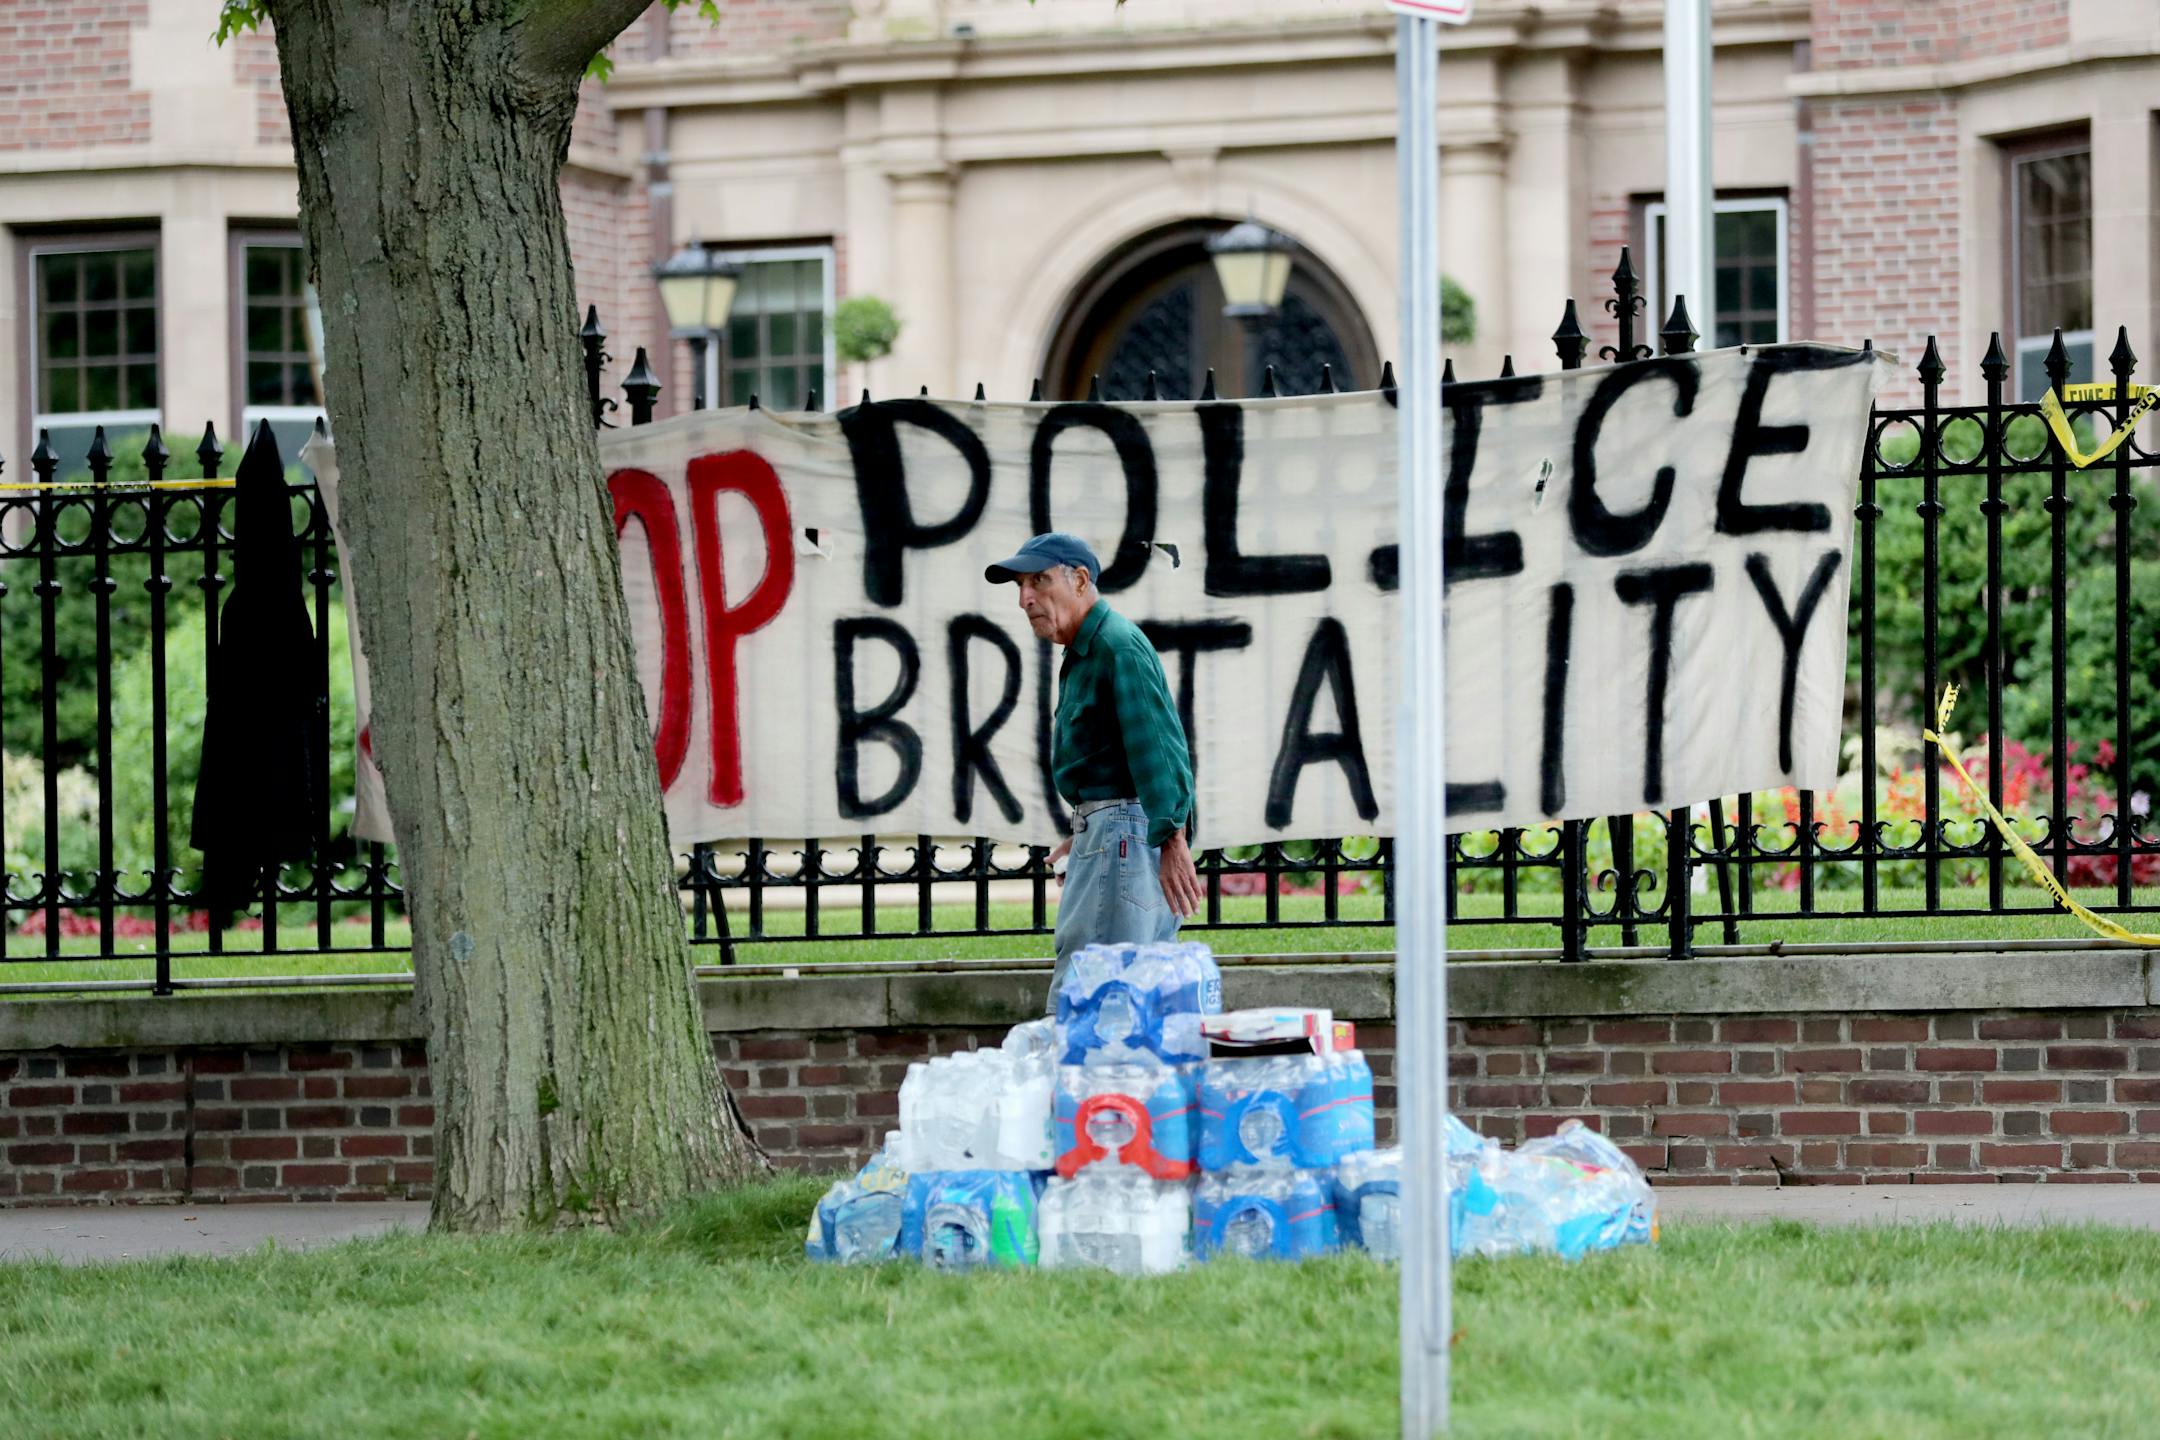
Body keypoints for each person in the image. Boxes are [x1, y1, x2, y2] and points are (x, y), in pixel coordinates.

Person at [984, 532, 1203, 1008]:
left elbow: (1160, 746)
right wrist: (1088, 829)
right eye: (1021, 585)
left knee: (1092, 999)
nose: (1025, 598)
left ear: (1080, 580)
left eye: (1039, 580)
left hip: (1126, 837)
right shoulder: (1090, 649)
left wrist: (1170, 836)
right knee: (1129, 999)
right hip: (1115, 833)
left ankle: (1083, 1085)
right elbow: (1117, 759)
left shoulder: (1115, 646)